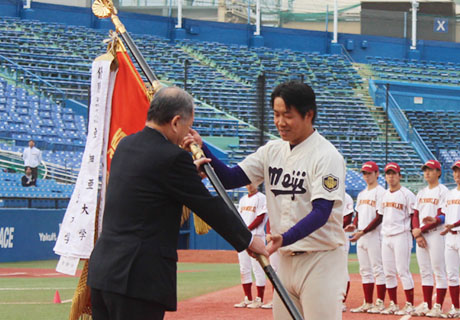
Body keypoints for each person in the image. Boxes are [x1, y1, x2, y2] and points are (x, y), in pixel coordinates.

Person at [87, 87, 267, 320]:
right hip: (137, 279)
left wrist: (186, 174)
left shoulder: (126, 145)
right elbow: (208, 207)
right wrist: (249, 240)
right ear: (175, 122)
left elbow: (149, 184)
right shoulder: (173, 159)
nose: (188, 133)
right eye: (187, 126)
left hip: (103, 273)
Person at [185, 80, 348, 319]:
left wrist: (285, 237)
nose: (280, 122)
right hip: (283, 259)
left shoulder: (327, 155)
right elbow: (231, 178)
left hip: (320, 259)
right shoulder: (272, 150)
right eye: (276, 114)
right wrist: (203, 148)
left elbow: (321, 212)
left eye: (288, 115)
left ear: (308, 114)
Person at [346, 161, 386, 314]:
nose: (366, 176)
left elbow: (379, 217)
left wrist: (362, 231)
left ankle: (380, 303)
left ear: (377, 174)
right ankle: (368, 302)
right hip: (361, 235)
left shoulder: (380, 192)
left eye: (369, 173)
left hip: (374, 235)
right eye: (364, 173)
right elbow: (358, 214)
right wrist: (353, 226)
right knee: (365, 270)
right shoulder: (362, 194)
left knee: (377, 269)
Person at [378, 162, 416, 315]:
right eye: (388, 173)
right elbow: (381, 215)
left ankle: (409, 304)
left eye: (394, 173)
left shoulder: (407, 194)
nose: (391, 176)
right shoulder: (385, 195)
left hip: (402, 235)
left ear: (400, 176)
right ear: (385, 176)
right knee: (388, 272)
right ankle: (393, 304)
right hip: (386, 236)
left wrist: (415, 233)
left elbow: (414, 215)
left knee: (403, 270)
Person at [411, 160, 448, 317]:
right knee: (425, 271)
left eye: (431, 170)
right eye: (425, 170)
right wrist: (416, 232)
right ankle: (427, 304)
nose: (427, 172)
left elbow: (442, 216)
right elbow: (415, 214)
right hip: (422, 235)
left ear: (438, 172)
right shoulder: (421, 192)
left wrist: (421, 231)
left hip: (436, 234)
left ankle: (438, 306)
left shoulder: (443, 191)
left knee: (439, 271)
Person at [233, 183, 268, 309]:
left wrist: (246, 230)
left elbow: (261, 217)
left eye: (252, 182)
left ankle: (260, 299)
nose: (249, 185)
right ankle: (248, 298)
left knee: (257, 268)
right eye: (247, 183)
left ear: (257, 183)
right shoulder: (242, 200)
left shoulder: (261, 197)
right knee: (244, 268)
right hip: (244, 237)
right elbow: (238, 217)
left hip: (256, 236)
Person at [439, 159, 460, 318]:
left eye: (459, 171)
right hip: (450, 238)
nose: (457, 174)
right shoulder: (450, 194)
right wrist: (436, 220)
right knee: (451, 274)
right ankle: (456, 307)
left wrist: (453, 225)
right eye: (455, 171)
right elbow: (444, 214)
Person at [342, 192, 354, 312]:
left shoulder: (346, 197)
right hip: (326, 237)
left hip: (341, 236)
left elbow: (347, 219)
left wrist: (330, 228)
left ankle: (341, 301)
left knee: (342, 269)